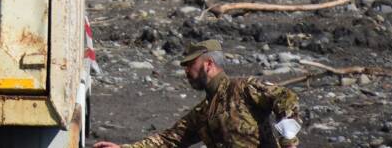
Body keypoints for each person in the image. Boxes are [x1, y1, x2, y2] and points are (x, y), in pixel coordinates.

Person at [94, 40, 302, 148]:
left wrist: (288, 140)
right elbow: (169, 140)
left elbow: (286, 97)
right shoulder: (203, 112)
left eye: (191, 64)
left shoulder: (244, 89)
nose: (186, 71)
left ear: (209, 64)